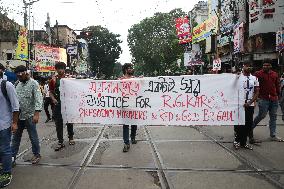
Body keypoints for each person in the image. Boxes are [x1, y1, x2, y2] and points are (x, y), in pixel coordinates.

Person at [12, 65, 43, 165]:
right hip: (19, 116)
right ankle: (12, 157)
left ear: (26, 73)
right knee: (16, 138)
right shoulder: (17, 84)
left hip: (30, 115)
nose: (19, 78)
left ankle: (36, 154)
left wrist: (36, 114)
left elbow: (38, 98)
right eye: (18, 76)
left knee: (33, 136)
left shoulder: (34, 83)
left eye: (21, 75)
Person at [251, 59, 284, 143]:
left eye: (267, 65)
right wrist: (256, 97)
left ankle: (273, 135)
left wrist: (278, 96)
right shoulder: (258, 74)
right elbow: (252, 83)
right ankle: (248, 130)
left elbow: (277, 85)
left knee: (273, 117)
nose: (265, 66)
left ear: (270, 66)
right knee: (261, 115)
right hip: (263, 99)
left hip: (274, 99)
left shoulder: (275, 74)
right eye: (264, 65)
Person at [0, 63, 19, 188]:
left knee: (5, 149)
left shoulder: (7, 85)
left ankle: (6, 172)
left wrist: (14, 123)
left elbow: (15, 106)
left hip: (4, 124)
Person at [49, 62, 75, 151]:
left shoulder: (70, 79)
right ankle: (60, 141)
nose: (60, 70)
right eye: (58, 68)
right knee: (58, 123)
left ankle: (71, 137)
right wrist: (53, 99)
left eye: (62, 68)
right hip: (58, 104)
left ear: (64, 69)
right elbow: (51, 92)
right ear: (56, 69)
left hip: (68, 104)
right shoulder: (53, 80)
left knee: (69, 122)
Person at [234, 62, 259, 150]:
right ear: (243, 67)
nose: (249, 67)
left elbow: (256, 91)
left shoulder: (254, 78)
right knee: (239, 124)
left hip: (249, 105)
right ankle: (236, 141)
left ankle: (244, 142)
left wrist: (250, 102)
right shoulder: (238, 76)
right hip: (239, 105)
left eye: (250, 66)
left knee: (248, 124)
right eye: (247, 66)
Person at [120, 63, 137, 152]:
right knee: (126, 124)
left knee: (134, 122)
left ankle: (133, 137)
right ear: (125, 70)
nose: (131, 69)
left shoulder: (135, 79)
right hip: (125, 104)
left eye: (131, 68)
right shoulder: (120, 80)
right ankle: (126, 143)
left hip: (134, 104)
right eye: (129, 68)